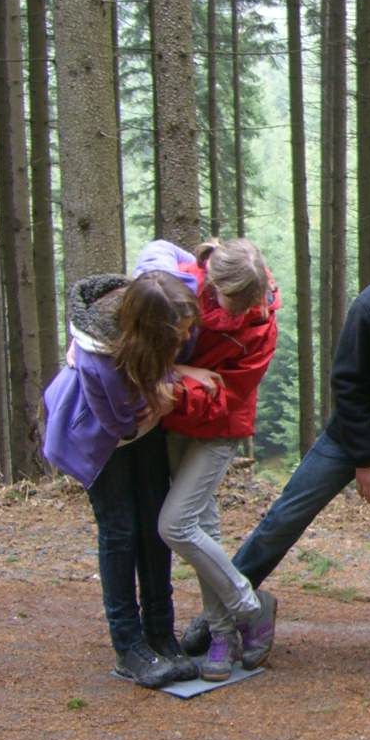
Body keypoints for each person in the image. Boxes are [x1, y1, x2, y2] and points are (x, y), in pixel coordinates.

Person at [182, 256, 370, 675]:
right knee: (282, 520)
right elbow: (349, 385)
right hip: (351, 438)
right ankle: (223, 610)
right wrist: (366, 459)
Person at [42, 271, 205, 688]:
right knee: (121, 533)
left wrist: (173, 378)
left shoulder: (165, 309)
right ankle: (129, 646)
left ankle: (161, 633)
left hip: (144, 426)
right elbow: (121, 423)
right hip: (101, 440)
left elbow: (170, 258)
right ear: (151, 332)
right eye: (177, 336)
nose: (186, 339)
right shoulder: (99, 358)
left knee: (154, 527)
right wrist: (164, 395)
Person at [139, 238, 280, 680]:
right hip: (175, 421)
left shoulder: (261, 324)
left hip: (220, 427)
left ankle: (250, 607)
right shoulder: (182, 287)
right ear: (213, 280)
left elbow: (228, 393)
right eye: (229, 300)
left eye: (244, 304)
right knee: (204, 528)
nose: (235, 312)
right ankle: (222, 634)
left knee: (175, 525)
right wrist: (181, 375)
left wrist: (172, 390)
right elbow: (150, 350)